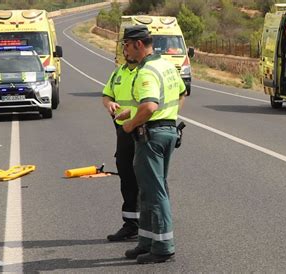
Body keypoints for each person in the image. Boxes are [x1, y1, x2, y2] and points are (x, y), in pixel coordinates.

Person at [119, 25, 186, 264]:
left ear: (138, 44)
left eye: (126, 45)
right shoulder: (167, 65)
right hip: (167, 131)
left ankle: (164, 246)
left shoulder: (146, 70)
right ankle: (146, 241)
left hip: (151, 135)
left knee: (156, 192)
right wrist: (167, 118)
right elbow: (181, 93)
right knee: (148, 190)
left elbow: (149, 107)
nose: (124, 50)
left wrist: (130, 125)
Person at [102, 49, 140, 242]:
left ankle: (150, 225)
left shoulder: (145, 72)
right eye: (124, 47)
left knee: (145, 179)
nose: (126, 52)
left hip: (142, 130)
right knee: (126, 177)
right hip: (123, 132)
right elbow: (106, 95)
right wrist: (109, 104)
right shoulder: (118, 72)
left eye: (130, 47)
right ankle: (131, 225)